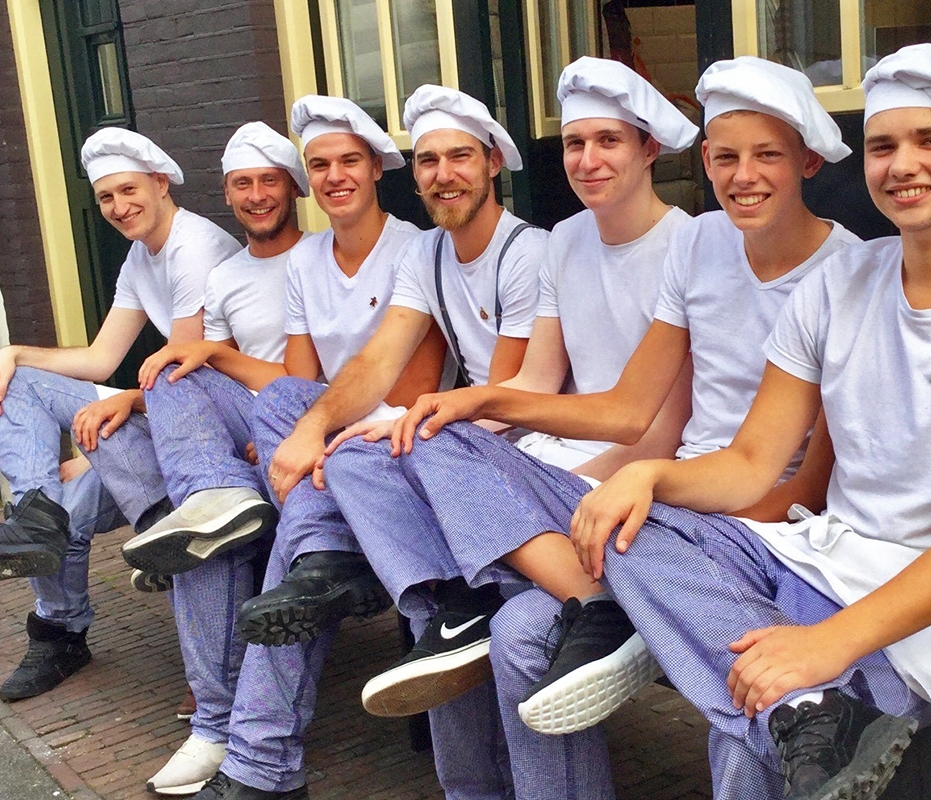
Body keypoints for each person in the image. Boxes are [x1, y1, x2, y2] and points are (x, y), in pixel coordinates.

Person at [574, 44, 931, 799]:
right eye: (883, 146)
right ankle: (797, 701)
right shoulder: (839, 284)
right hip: (823, 557)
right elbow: (752, 463)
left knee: (745, 735)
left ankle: (727, 659)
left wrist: (828, 645)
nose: (902, 165)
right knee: (639, 527)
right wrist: (649, 476)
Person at [337, 57, 857, 800]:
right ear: (704, 162)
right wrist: (478, 403)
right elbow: (627, 407)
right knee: (508, 612)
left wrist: (681, 531)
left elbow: (802, 478)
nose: (743, 176)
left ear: (807, 160)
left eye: (766, 155)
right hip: (667, 499)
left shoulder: (847, 274)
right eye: (725, 157)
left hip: (743, 520)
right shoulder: (700, 245)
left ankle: (587, 598)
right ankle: (518, 607)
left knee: (737, 687)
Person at [191, 88, 542, 800]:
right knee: (290, 412)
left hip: (485, 443)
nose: (443, 174)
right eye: (431, 160)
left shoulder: (519, 251)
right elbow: (370, 363)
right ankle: (324, 555)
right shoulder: (430, 254)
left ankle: (257, 756)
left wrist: (348, 436)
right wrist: (313, 428)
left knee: (307, 527)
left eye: (459, 157)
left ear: (492, 163)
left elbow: (500, 396)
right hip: (421, 439)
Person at [325, 56, 700, 724]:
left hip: (627, 475)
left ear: (649, 149)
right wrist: (430, 421)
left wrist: (495, 447)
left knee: (446, 462)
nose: (587, 160)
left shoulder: (689, 246)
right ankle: (456, 601)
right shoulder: (565, 240)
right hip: (554, 457)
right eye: (575, 143)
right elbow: (535, 381)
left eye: (608, 141)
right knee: (380, 447)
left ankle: (570, 608)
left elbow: (655, 432)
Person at [0, 129, 240, 701]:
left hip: (207, 434)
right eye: (105, 197)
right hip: (165, 415)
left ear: (160, 183)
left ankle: (47, 541)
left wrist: (114, 413)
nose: (118, 207)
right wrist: (15, 352)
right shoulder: (141, 257)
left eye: (128, 190)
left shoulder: (194, 248)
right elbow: (102, 358)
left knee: (66, 492)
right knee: (58, 492)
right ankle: (54, 600)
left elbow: (186, 379)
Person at [86, 121, 306, 795]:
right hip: (242, 431)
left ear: (294, 188)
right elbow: (204, 377)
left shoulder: (319, 260)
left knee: (202, 534)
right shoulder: (229, 274)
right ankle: (196, 508)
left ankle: (216, 726)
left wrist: (271, 416)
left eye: (269, 181)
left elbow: (309, 379)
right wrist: (140, 392)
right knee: (166, 384)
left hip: (303, 424)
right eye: (243, 184)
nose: (257, 195)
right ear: (228, 194)